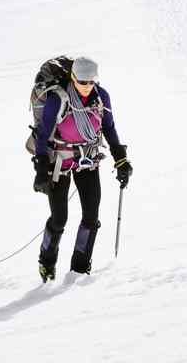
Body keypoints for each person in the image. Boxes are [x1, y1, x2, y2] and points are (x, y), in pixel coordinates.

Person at [31, 56, 132, 280]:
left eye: (91, 82)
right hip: (59, 164)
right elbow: (43, 134)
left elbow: (109, 127)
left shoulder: (101, 96)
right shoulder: (58, 99)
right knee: (59, 218)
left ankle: (79, 268)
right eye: (82, 82)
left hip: (88, 161)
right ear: (73, 78)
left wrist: (121, 159)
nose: (87, 87)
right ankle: (46, 262)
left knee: (91, 216)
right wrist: (40, 169)